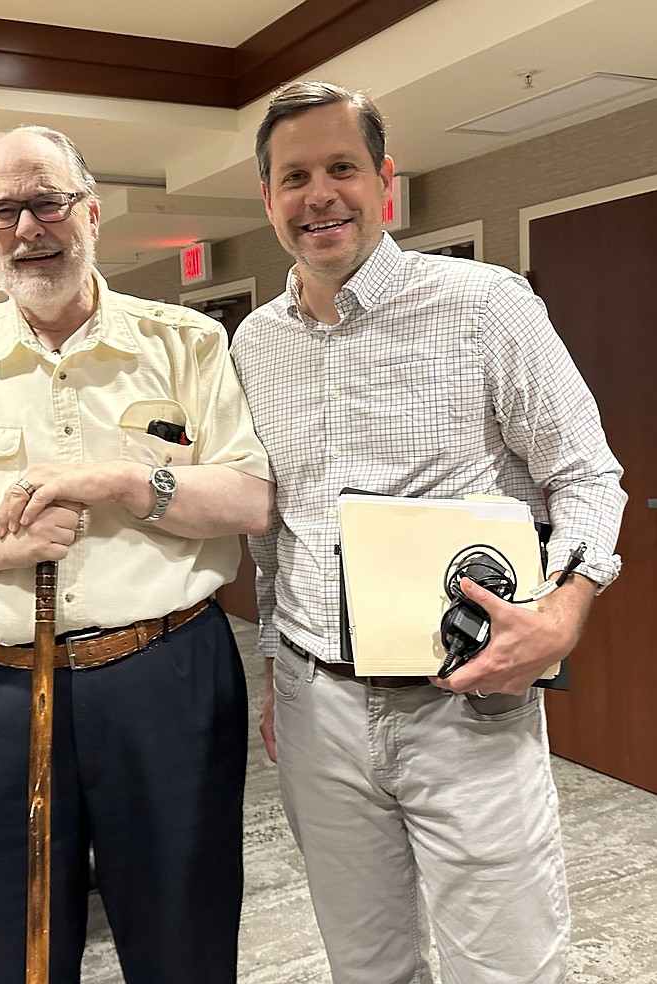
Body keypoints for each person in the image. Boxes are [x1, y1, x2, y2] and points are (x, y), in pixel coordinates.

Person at [230, 80, 627, 984]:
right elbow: (272, 533)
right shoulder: (255, 342)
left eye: (342, 168)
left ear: (384, 181)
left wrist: (567, 612)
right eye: (294, 177)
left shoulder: (484, 305)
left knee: (509, 965)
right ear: (267, 197)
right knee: (366, 965)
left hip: (464, 700)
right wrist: (272, 680)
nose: (319, 194)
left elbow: (587, 476)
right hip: (315, 701)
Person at [0, 125, 272, 984]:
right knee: (10, 940)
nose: (28, 228)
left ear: (90, 213)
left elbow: (248, 499)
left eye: (47, 202)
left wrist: (130, 482)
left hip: (166, 676)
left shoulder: (187, 341)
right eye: (3, 210)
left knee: (185, 935)